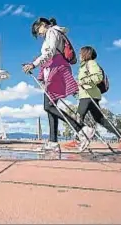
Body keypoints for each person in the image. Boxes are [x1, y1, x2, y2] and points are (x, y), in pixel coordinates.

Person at [22, 17, 94, 153]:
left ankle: (82, 129)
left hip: (57, 69)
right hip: (56, 69)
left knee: (48, 106)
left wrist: (33, 64)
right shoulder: (54, 33)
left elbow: (49, 53)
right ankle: (53, 142)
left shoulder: (52, 32)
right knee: (51, 107)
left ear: (44, 25)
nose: (39, 34)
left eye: (38, 30)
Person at [64, 46, 121, 150]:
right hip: (87, 95)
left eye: (81, 53)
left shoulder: (91, 63)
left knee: (79, 116)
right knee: (100, 119)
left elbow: (98, 77)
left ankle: (78, 139)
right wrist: (77, 88)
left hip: (89, 95)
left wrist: (83, 81)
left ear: (86, 54)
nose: (79, 55)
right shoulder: (83, 66)